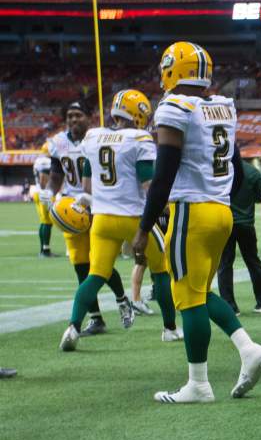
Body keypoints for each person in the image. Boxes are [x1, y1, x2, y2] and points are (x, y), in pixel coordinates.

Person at [132, 42, 261, 404]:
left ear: (171, 69)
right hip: (221, 212)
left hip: (191, 212)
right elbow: (238, 171)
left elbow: (162, 175)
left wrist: (145, 226)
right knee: (201, 293)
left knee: (188, 299)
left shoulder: (175, 106)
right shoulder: (222, 106)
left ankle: (198, 384)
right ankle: (247, 347)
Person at [60, 89, 181, 352]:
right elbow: (150, 185)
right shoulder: (138, 138)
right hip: (133, 218)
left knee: (95, 275)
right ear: (138, 113)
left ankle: (73, 327)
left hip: (102, 219)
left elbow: (87, 186)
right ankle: (170, 328)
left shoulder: (92, 136)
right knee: (161, 270)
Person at [49, 101, 129, 336]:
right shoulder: (58, 142)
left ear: (89, 117)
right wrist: (49, 192)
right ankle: (96, 318)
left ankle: (122, 299)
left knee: (99, 264)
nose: (73, 120)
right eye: (69, 116)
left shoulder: (98, 139)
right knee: (81, 265)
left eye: (78, 115)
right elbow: (56, 174)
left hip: (96, 205)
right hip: (70, 208)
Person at [216, 155, 261, 315]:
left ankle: (230, 306)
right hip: (246, 223)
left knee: (225, 264)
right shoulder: (253, 172)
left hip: (226, 224)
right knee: (253, 262)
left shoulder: (221, 172)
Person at [31, 155, 54, 257]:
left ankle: (42, 249)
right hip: (42, 193)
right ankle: (45, 250)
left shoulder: (38, 160)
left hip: (37, 192)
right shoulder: (46, 161)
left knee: (43, 221)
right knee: (47, 222)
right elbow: (42, 179)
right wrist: (45, 190)